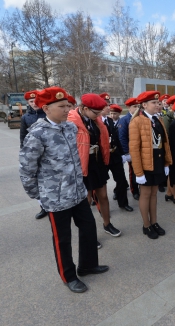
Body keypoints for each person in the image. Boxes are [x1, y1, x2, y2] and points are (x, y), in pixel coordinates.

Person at [19, 86, 108, 293]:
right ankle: (69, 276)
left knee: (88, 228)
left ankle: (87, 265)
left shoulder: (69, 127)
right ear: (46, 108)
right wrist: (37, 195)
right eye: (61, 106)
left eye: (68, 105)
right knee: (63, 239)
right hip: (55, 198)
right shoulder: (37, 134)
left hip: (77, 192)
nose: (66, 109)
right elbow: (26, 168)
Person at [67, 94, 122, 242]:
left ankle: (107, 223)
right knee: (87, 200)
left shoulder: (95, 121)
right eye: (96, 113)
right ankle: (89, 233)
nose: (99, 116)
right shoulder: (71, 121)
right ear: (85, 108)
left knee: (103, 195)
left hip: (97, 162)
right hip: (83, 164)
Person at [129, 91, 172, 239]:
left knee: (154, 194)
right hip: (146, 164)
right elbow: (134, 149)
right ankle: (146, 225)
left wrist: (166, 162)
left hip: (157, 162)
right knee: (146, 194)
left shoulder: (157, 119)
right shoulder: (137, 121)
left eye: (157, 102)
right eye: (153, 102)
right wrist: (139, 173)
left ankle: (154, 222)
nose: (157, 104)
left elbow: (164, 143)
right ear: (144, 105)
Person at [19, 90, 49, 220]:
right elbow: (23, 138)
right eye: (31, 101)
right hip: (34, 156)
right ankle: (43, 207)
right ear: (28, 103)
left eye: (36, 100)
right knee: (37, 182)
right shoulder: (26, 118)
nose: (34, 103)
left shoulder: (47, 113)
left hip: (48, 154)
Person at [102, 103, 133, 212]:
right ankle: (102, 207)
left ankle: (123, 203)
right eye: (105, 106)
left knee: (121, 180)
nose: (108, 108)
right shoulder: (95, 122)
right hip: (102, 158)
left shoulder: (109, 121)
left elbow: (116, 138)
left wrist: (123, 154)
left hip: (115, 155)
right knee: (101, 184)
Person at [118, 97, 140, 200]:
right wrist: (127, 152)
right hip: (132, 151)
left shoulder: (141, 117)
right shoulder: (125, 120)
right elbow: (122, 137)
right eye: (134, 106)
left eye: (138, 106)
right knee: (134, 172)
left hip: (141, 150)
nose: (136, 108)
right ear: (129, 107)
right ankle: (134, 190)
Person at [162, 94, 175, 204]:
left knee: (174, 173)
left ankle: (169, 193)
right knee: (173, 173)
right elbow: (167, 136)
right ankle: (172, 193)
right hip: (171, 150)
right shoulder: (167, 117)